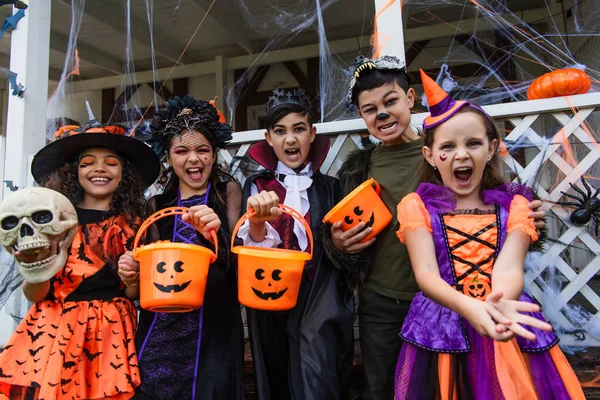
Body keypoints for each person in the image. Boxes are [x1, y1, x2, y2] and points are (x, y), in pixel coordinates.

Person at [322, 55, 548, 400]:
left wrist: (527, 223)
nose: (382, 114)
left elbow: (492, 213)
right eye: (370, 109)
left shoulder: (447, 149)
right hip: (383, 298)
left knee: (442, 386)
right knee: (382, 385)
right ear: (362, 116)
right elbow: (342, 222)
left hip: (449, 298)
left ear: (410, 98)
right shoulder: (358, 169)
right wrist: (337, 243)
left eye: (390, 101)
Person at [392, 70, 584, 399]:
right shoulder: (417, 207)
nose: (461, 154)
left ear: (492, 148)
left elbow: (508, 268)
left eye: (473, 143)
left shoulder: (516, 207)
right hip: (442, 324)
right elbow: (425, 274)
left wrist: (498, 305)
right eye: (448, 146)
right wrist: (470, 308)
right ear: (430, 156)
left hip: (503, 313)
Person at [0, 122, 161, 399]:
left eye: (111, 163)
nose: (99, 168)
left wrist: (131, 278)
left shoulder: (135, 225)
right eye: (88, 163)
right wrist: (35, 267)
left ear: (124, 174)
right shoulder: (52, 224)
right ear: (74, 172)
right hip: (54, 332)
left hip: (109, 333)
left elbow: (133, 294)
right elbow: (35, 294)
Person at [121, 96, 245, 399]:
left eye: (202, 150)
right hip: (163, 323)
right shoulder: (156, 206)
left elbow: (237, 262)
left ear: (214, 155)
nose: (193, 159)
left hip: (212, 321)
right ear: (169, 157)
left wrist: (212, 234)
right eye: (181, 151)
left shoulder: (228, 192)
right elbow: (146, 279)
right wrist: (132, 275)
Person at [238, 88, 354, 399]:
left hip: (319, 298)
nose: (290, 140)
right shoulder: (257, 186)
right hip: (272, 297)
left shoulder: (331, 188)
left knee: (317, 378)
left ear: (312, 134)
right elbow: (251, 249)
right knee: (276, 375)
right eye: (280, 131)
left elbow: (341, 250)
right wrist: (258, 221)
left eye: (298, 129)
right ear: (268, 137)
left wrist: (341, 244)